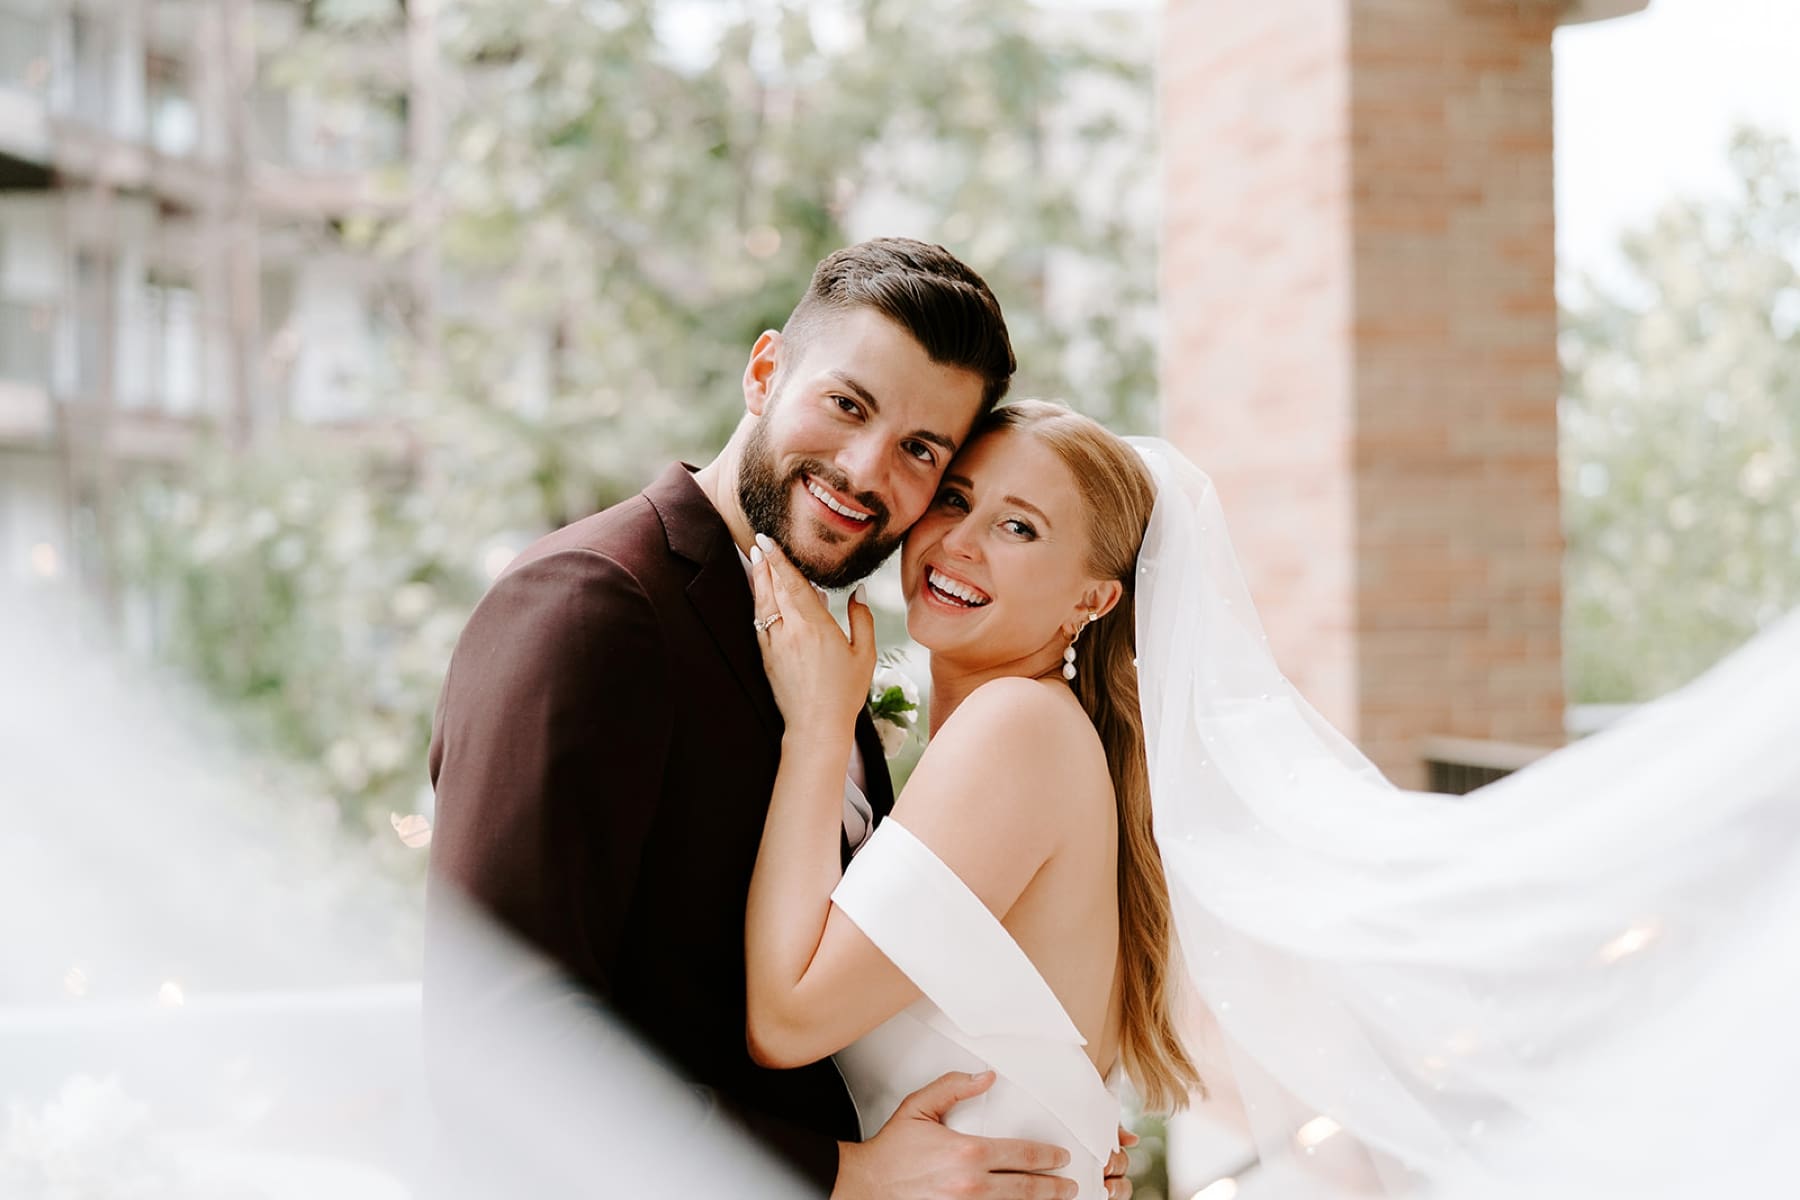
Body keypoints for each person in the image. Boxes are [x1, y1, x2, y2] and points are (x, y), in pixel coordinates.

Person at [744, 398, 1800, 1199]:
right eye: (962, 500)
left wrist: (818, 723)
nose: (962, 543)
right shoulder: (1038, 743)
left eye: (1022, 528)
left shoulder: (1015, 732)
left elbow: (791, 1017)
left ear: (1094, 597)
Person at [425, 240, 1132, 1198]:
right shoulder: (591, 606)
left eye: (922, 451)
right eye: (848, 404)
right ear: (765, 372)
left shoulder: (825, 658)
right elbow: (499, 1035)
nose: (863, 469)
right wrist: (843, 1175)